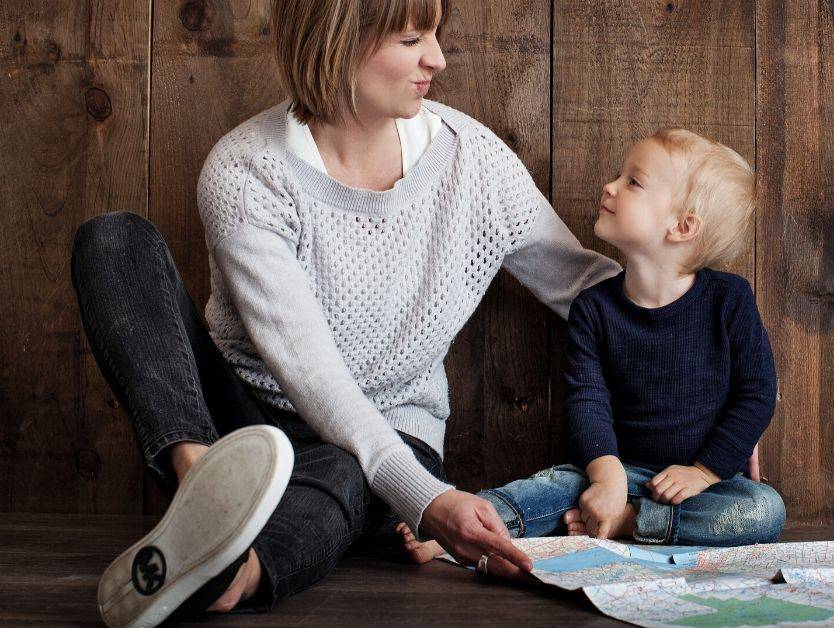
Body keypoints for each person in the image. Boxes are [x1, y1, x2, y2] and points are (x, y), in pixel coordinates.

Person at [71, 0, 623, 624]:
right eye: (414, 37)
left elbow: (583, 285)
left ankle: (232, 574)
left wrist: (724, 365)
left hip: (392, 436)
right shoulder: (246, 171)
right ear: (337, 42)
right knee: (112, 239)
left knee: (346, 466)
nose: (437, 59)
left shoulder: (475, 162)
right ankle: (204, 486)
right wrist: (432, 502)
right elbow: (310, 372)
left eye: (436, 36)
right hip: (243, 423)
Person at [398, 128, 784, 563]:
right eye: (620, 175)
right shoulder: (595, 308)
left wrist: (705, 471)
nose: (611, 186)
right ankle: (461, 529)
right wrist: (606, 476)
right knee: (551, 488)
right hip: (620, 469)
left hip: (702, 487)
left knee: (763, 511)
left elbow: (755, 394)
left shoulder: (729, 300)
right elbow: (587, 400)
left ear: (683, 226)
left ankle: (633, 524)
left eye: (633, 182)